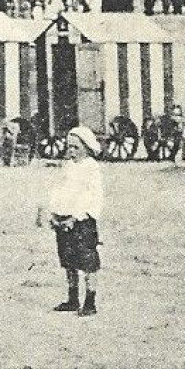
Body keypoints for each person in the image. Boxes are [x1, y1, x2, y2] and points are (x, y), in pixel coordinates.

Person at [40, 126, 105, 316]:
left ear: (86, 147)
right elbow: (59, 189)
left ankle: (90, 302)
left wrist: (76, 217)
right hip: (63, 219)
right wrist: (53, 212)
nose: (72, 151)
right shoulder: (68, 166)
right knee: (68, 259)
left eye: (76, 147)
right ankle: (72, 298)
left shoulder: (91, 167)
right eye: (69, 147)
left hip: (82, 221)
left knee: (87, 261)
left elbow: (93, 196)